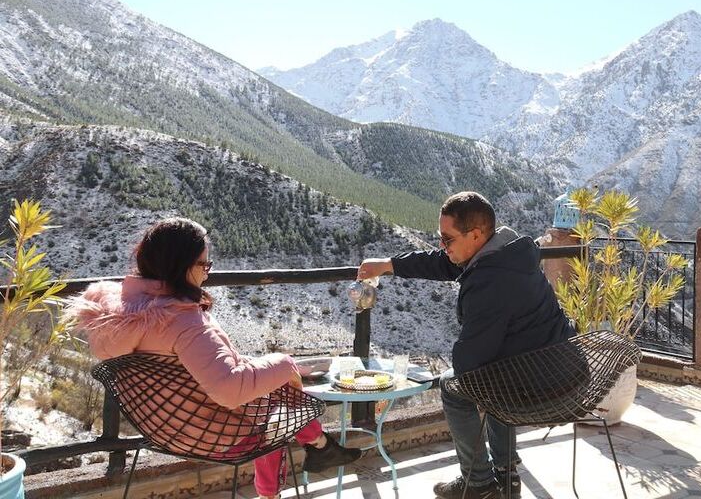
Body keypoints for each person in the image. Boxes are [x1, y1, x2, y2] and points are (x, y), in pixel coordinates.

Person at [65, 217, 361, 499]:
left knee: (270, 388)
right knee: (277, 404)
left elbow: (188, 368)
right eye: (203, 263)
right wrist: (285, 364)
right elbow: (229, 389)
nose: (207, 271)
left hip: (161, 429)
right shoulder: (181, 321)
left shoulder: (119, 317)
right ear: (180, 265)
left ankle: (321, 446)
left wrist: (258, 366)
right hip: (213, 435)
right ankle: (302, 462)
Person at [358, 191, 575, 499]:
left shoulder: (491, 282)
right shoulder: (506, 255)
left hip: (543, 386)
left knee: (455, 385)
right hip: (561, 367)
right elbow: (445, 264)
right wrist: (388, 264)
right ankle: (505, 475)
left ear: (475, 235)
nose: (441, 247)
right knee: (493, 374)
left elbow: (468, 364)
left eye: (447, 240)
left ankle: (478, 483)